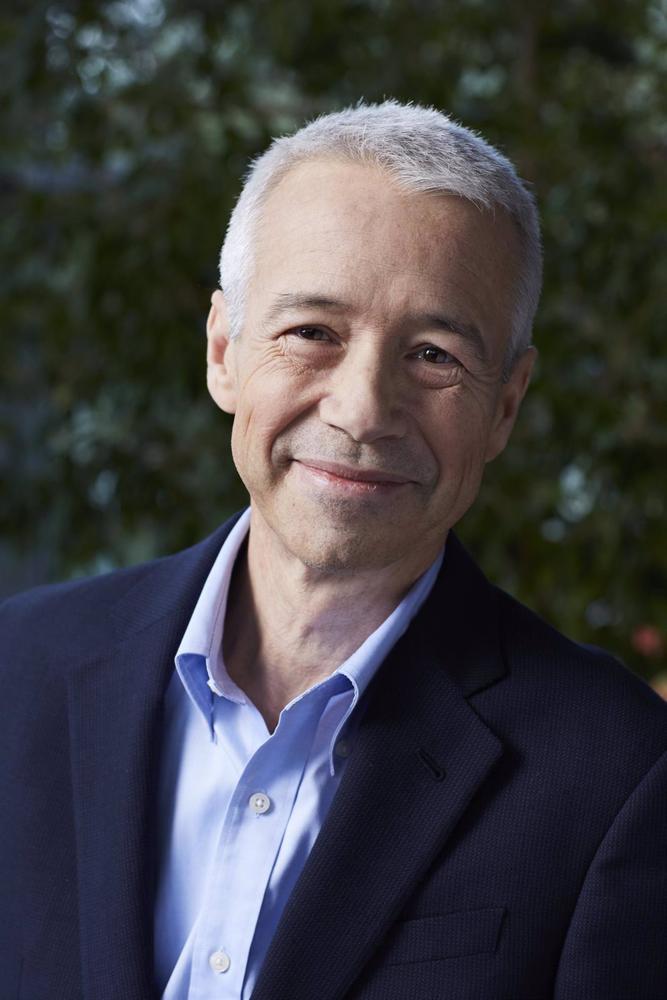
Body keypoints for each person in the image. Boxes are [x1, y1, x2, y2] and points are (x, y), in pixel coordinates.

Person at [1, 101, 665, 1000]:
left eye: (433, 355)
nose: (361, 411)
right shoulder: (17, 671)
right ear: (223, 351)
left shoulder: (620, 772)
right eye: (312, 333)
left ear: (504, 405)